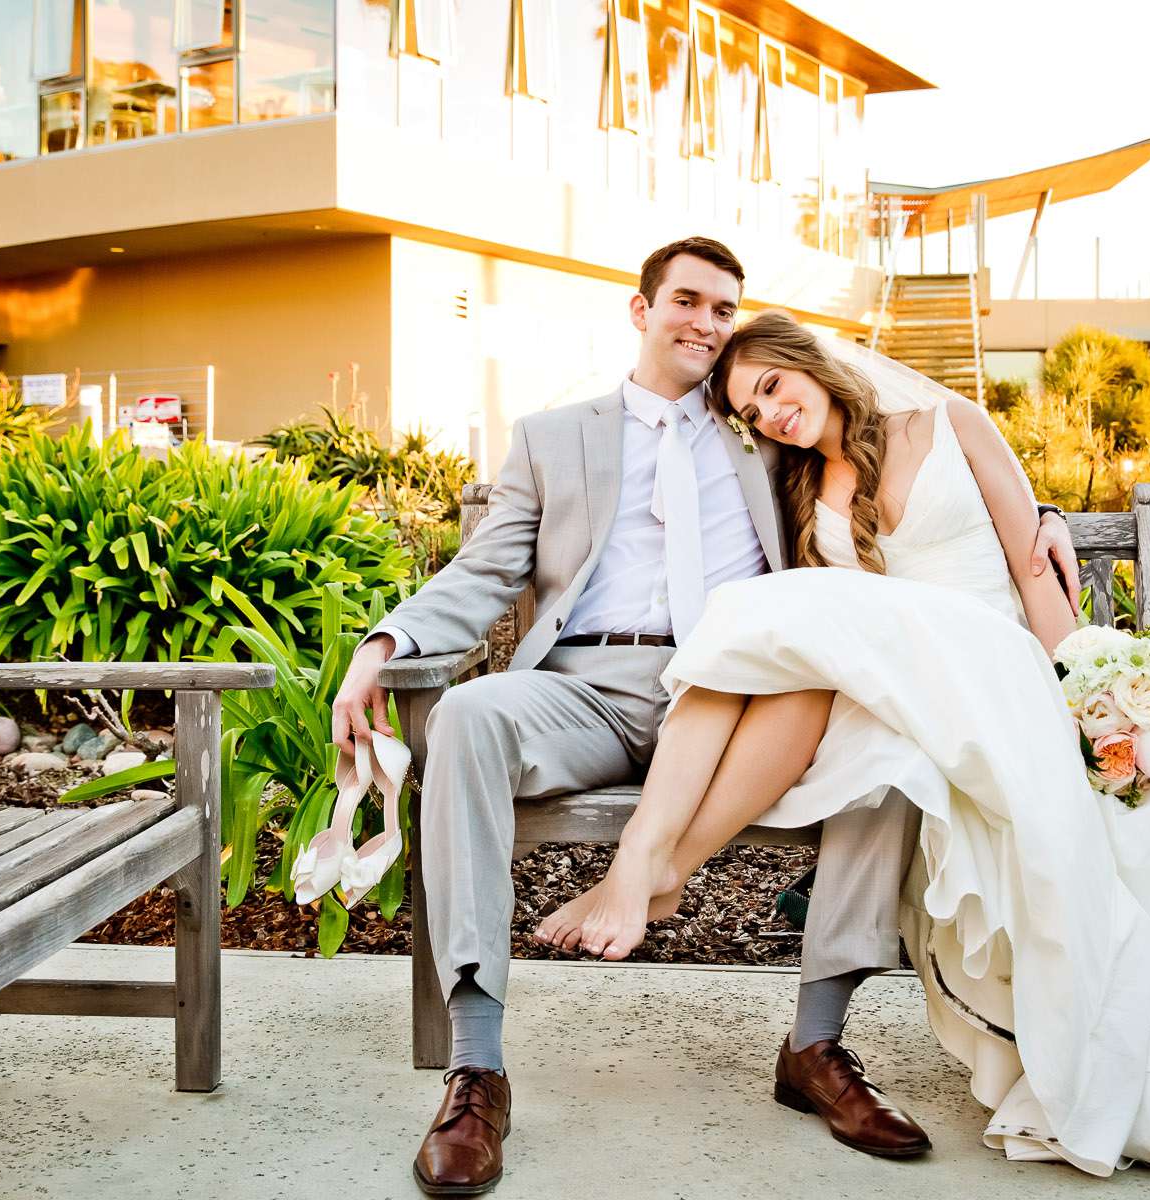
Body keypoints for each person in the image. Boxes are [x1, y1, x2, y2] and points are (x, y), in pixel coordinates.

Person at [537, 312, 1150, 1179]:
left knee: (776, 623)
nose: (769, 415)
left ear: (810, 367)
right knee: (848, 711)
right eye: (751, 411)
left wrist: (1085, 691)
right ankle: (674, 887)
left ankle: (659, 866)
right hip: (903, 694)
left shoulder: (950, 423)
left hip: (994, 664)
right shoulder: (800, 493)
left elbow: (1028, 564)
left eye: (773, 388)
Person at [329, 238, 1083, 1195]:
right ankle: (477, 1069)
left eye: (724, 309)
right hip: (588, 688)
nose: (705, 323)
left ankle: (817, 1047)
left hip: (746, 694)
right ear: (641, 311)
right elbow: (484, 574)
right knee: (471, 716)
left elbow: (888, 446)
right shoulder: (555, 436)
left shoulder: (763, 426)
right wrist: (381, 648)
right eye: (687, 301)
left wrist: (1042, 507)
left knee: (890, 753)